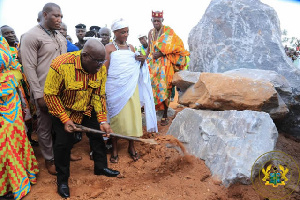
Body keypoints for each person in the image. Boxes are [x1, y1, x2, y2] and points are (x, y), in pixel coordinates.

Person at [44, 38, 120, 198]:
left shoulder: (100, 68)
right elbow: (50, 95)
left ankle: (100, 167)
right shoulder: (61, 65)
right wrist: (65, 119)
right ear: (85, 55)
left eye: (103, 61)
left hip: (87, 107)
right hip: (64, 110)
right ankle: (62, 180)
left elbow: (99, 95)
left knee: (98, 136)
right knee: (63, 145)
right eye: (97, 62)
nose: (101, 66)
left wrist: (102, 120)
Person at [20, 2, 67, 175]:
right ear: (45, 15)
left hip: (62, 91)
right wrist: (38, 94)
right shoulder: (31, 36)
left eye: (61, 16)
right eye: (56, 16)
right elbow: (29, 67)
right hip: (44, 91)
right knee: (45, 126)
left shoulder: (60, 37)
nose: (59, 19)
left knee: (61, 124)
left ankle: (62, 153)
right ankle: (49, 159)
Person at [105, 18, 157, 163]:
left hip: (131, 88)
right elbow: (105, 70)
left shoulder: (132, 48)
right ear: (115, 33)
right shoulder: (109, 48)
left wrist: (141, 62)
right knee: (116, 117)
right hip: (114, 88)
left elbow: (135, 70)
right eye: (122, 32)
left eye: (127, 32)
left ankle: (131, 146)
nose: (126, 35)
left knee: (133, 117)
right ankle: (114, 148)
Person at [0, 36, 39, 200]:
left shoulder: (1, 41)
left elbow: (14, 64)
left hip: (8, 97)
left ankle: (16, 183)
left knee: (10, 138)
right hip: (8, 94)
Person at [147, 10, 189, 126]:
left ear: (162, 21)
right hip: (153, 63)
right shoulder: (150, 33)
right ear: (151, 21)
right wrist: (144, 59)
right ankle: (154, 111)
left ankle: (165, 114)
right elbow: (149, 49)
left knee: (165, 87)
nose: (156, 22)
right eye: (154, 20)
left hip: (165, 64)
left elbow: (176, 45)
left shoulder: (168, 31)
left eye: (158, 21)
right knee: (151, 86)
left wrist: (161, 54)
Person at [1, 25, 38, 146]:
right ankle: (22, 141)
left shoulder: (20, 47)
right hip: (14, 86)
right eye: (6, 33)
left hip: (26, 83)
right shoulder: (4, 52)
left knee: (31, 113)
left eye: (12, 32)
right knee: (22, 112)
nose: (10, 35)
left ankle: (29, 139)